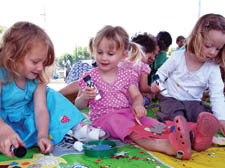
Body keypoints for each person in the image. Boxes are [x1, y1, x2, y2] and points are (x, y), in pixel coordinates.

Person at [74, 25, 218, 160]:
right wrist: (84, 97)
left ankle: (193, 135)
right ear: (94, 51)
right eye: (99, 52)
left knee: (152, 123)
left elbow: (137, 95)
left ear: (123, 56)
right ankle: (164, 146)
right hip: (105, 117)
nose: (104, 57)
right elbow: (79, 104)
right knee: (129, 127)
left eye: (110, 53)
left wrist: (138, 105)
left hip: (128, 112)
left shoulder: (126, 74)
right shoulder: (89, 77)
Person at [0, 21, 103, 158]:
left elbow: (41, 110)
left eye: (44, 63)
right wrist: (2, 129)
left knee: (51, 95)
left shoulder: (37, 79)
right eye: (35, 62)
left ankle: (75, 127)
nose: (40, 68)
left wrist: (42, 135)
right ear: (12, 55)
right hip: (3, 123)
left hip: (28, 123)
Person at [155, 13, 224, 145]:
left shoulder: (212, 67)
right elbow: (161, 73)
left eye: (218, 49)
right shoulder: (178, 57)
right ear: (196, 38)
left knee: (203, 114)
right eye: (208, 46)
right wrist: (156, 84)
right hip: (171, 97)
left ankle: (197, 135)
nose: (212, 52)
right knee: (174, 114)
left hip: (193, 102)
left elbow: (217, 94)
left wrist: (221, 119)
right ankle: (183, 130)